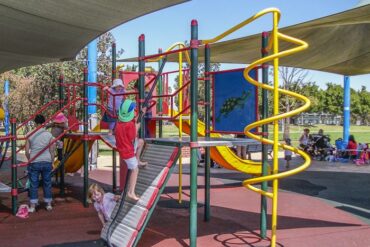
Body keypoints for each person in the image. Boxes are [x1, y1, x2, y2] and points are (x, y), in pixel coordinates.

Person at [115, 99, 148, 201]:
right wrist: (137, 126)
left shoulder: (119, 123)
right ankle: (131, 192)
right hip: (128, 152)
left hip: (124, 148)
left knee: (141, 142)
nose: (135, 112)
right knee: (135, 169)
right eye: (134, 110)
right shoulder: (129, 125)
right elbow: (133, 135)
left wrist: (141, 114)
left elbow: (134, 121)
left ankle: (137, 159)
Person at [25, 114, 56, 212]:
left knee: (34, 184)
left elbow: (26, 151)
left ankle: (33, 206)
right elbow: (52, 150)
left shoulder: (30, 134)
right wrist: (52, 162)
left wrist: (30, 159)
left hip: (35, 161)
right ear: (44, 122)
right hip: (46, 161)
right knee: (47, 183)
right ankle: (48, 204)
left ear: (35, 122)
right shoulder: (49, 135)